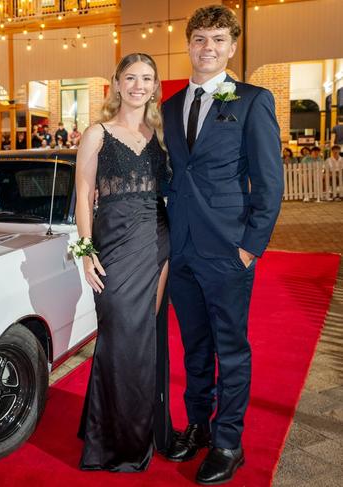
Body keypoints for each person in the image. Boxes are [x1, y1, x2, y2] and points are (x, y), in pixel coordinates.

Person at [161, 6, 283, 485]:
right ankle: (198, 426)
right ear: (188, 44)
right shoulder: (170, 108)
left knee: (230, 348)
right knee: (194, 346)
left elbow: (269, 183)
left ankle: (229, 441)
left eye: (217, 39)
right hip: (182, 248)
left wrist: (250, 247)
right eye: (199, 39)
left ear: (232, 47)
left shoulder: (252, 100)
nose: (207, 48)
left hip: (229, 249)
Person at [75, 52, 173, 473]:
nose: (138, 85)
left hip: (157, 243)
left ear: (155, 86)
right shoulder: (97, 134)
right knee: (117, 339)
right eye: (130, 77)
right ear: (116, 83)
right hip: (112, 246)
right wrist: (85, 251)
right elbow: (82, 196)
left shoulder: (161, 135)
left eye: (146, 78)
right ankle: (110, 440)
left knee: (144, 339)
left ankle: (139, 431)